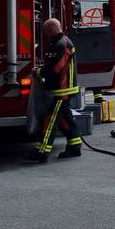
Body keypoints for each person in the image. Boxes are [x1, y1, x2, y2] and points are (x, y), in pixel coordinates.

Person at [26, 18, 82, 162]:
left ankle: (42, 151)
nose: (45, 35)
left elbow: (55, 68)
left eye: (46, 32)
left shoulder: (62, 44)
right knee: (65, 119)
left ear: (51, 29)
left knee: (50, 120)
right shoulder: (59, 42)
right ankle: (75, 146)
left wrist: (38, 72)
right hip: (62, 89)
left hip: (62, 90)